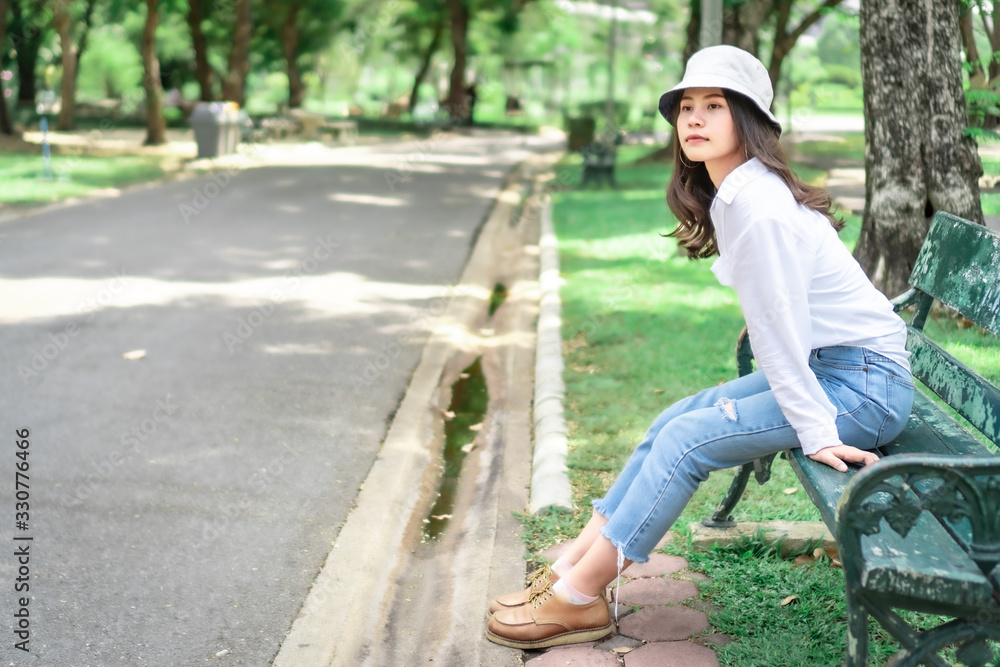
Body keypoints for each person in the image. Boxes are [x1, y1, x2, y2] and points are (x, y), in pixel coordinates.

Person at [485, 45, 915, 650]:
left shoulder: (759, 206)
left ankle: (579, 599)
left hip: (864, 386)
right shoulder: (739, 193)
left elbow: (779, 330)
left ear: (749, 121)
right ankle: (567, 573)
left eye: (714, 105)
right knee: (675, 419)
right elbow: (782, 313)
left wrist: (817, 431)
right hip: (837, 367)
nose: (694, 118)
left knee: (689, 441)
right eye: (687, 105)